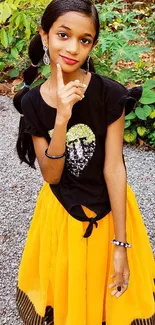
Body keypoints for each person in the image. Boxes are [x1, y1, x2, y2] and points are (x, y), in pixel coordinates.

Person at [13, 1, 155, 324]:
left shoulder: (110, 94)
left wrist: (121, 244)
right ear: (45, 35)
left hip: (110, 218)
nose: (73, 48)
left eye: (85, 39)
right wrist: (61, 119)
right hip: (62, 219)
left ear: (92, 44)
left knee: (113, 300)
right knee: (70, 299)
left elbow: (114, 168)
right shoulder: (33, 103)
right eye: (63, 35)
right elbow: (51, 176)